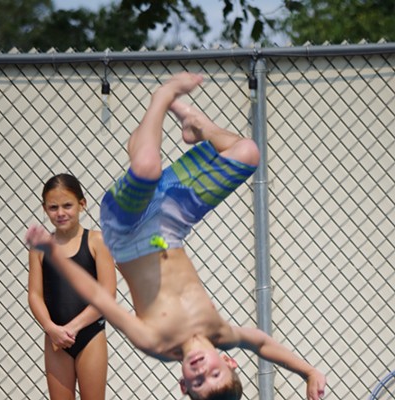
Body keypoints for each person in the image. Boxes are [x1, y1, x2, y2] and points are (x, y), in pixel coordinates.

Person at [26, 72, 326, 400]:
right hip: (172, 225)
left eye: (197, 382)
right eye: (214, 372)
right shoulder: (223, 333)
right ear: (229, 360)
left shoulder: (156, 343)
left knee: (147, 167)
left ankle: (162, 95)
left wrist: (52, 253)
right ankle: (196, 126)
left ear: (183, 385)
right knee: (248, 152)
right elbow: (263, 343)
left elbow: (98, 297)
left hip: (125, 230)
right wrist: (307, 371)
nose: (201, 371)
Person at [27, 173, 116, 400]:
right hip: (56, 339)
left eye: (67, 205)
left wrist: (73, 328)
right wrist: (51, 328)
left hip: (89, 335)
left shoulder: (97, 241)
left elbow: (107, 295)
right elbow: (35, 295)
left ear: (82, 204)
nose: (60, 213)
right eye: (53, 207)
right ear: (45, 209)